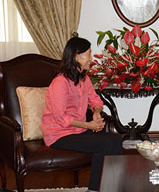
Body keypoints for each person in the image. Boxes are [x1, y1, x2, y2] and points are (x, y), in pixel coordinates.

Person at [41, 37, 123, 192]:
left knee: (117, 140)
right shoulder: (60, 82)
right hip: (58, 135)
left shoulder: (84, 78)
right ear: (76, 57)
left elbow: (95, 100)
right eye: (88, 54)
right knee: (104, 145)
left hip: (78, 130)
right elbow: (61, 117)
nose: (91, 58)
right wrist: (88, 125)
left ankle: (112, 186)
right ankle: (94, 189)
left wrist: (97, 113)